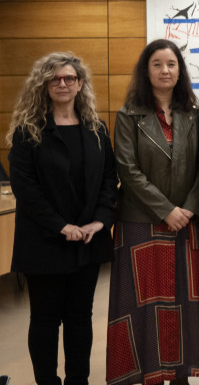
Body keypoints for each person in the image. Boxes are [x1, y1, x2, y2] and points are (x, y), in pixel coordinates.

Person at [107, 40, 199, 385]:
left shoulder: (194, 113)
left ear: (180, 70)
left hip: (189, 222)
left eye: (171, 64)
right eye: (157, 64)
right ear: (147, 70)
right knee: (144, 304)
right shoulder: (129, 115)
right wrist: (165, 210)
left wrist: (187, 207)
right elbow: (127, 168)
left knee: (187, 300)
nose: (165, 70)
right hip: (142, 223)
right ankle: (149, 373)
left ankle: (181, 372)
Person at [7, 52, 117, 385]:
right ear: (44, 84)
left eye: (70, 78)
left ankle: (77, 381)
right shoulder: (29, 131)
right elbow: (26, 189)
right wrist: (61, 225)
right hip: (44, 241)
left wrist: (100, 220)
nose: (63, 84)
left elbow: (109, 179)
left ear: (80, 84)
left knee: (80, 318)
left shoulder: (96, 128)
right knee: (45, 318)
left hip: (87, 239)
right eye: (55, 78)